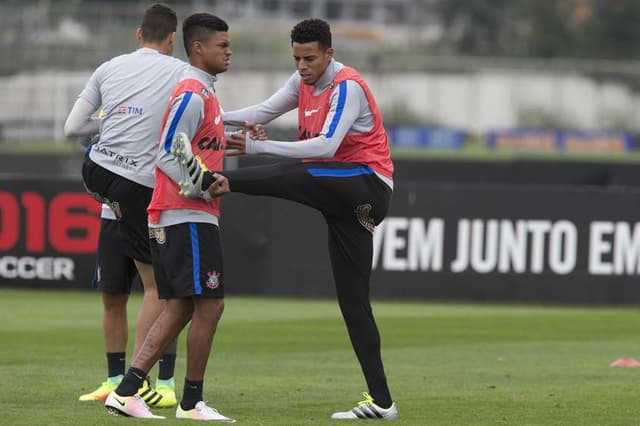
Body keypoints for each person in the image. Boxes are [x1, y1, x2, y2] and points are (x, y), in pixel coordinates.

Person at [171, 17, 398, 421]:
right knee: (353, 303)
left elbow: (328, 147)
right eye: (296, 58)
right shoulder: (302, 80)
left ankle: (213, 182)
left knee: (297, 174)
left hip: (365, 185)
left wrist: (257, 149)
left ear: (329, 53)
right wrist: (214, 117)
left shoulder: (347, 86)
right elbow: (263, 110)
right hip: (338, 199)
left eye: (310, 58)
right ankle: (383, 402)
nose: (302, 66)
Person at [104, 13, 235, 421]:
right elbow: (167, 150)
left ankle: (127, 391)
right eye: (222, 45)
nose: (229, 52)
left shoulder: (203, 93)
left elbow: (187, 145)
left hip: (183, 213)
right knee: (208, 306)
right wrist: (205, 180)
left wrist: (229, 147)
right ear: (197, 48)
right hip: (185, 213)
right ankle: (191, 402)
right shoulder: (193, 92)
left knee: (180, 306)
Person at [63, 3, 188, 408]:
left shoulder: (108, 67)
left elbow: (72, 129)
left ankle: (158, 382)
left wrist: (111, 124)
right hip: (131, 198)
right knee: (115, 294)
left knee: (160, 290)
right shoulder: (183, 73)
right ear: (172, 38)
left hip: (123, 191)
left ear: (138, 33)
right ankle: (116, 378)